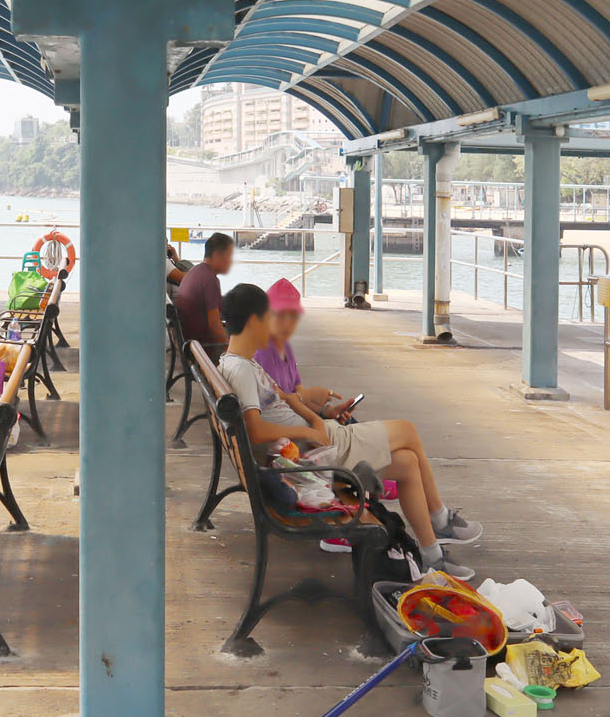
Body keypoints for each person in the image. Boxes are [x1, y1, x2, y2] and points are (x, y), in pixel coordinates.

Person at [219, 283, 482, 579]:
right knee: (407, 430)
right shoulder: (242, 370)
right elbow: (254, 431)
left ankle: (432, 555)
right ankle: (441, 519)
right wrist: (312, 433)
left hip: (317, 443)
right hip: (317, 454)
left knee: (408, 463)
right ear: (254, 320)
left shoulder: (241, 363)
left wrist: (323, 417)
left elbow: (289, 398)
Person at [253, 278, 357, 421]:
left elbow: (299, 394)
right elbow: (278, 405)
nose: (287, 323)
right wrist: (318, 420)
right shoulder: (264, 351)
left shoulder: (285, 347)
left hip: (293, 415)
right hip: (283, 422)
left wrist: (327, 411)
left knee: (348, 421)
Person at [173, 231, 233, 356]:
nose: (231, 261)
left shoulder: (195, 271)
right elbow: (215, 327)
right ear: (217, 255)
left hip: (188, 342)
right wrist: (232, 352)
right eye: (229, 256)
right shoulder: (210, 280)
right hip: (203, 348)